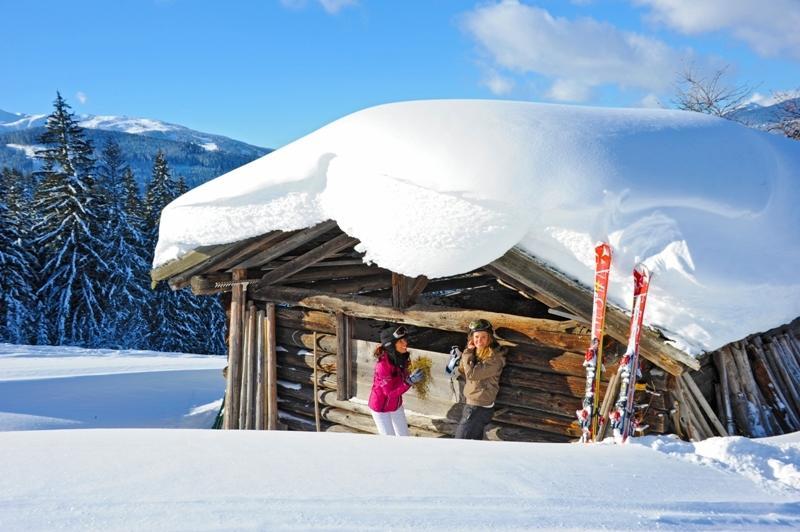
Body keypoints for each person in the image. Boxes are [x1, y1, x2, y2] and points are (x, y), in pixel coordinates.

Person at [454, 319, 506, 440]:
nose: (479, 340)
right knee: (474, 445)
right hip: (473, 405)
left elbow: (472, 375)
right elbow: (464, 372)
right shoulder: (478, 353)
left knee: (459, 442)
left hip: (478, 408)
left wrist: (467, 353)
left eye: (483, 337)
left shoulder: (494, 359)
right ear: (471, 338)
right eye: (476, 336)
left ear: (489, 338)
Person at [368, 325, 424, 436]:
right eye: (401, 341)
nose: (405, 343)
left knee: (404, 437)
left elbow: (404, 377)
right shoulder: (382, 366)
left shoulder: (402, 358)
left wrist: (414, 374)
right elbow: (389, 393)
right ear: (391, 345)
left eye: (405, 340)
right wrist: (409, 382)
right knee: (389, 441)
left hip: (395, 405)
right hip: (380, 408)